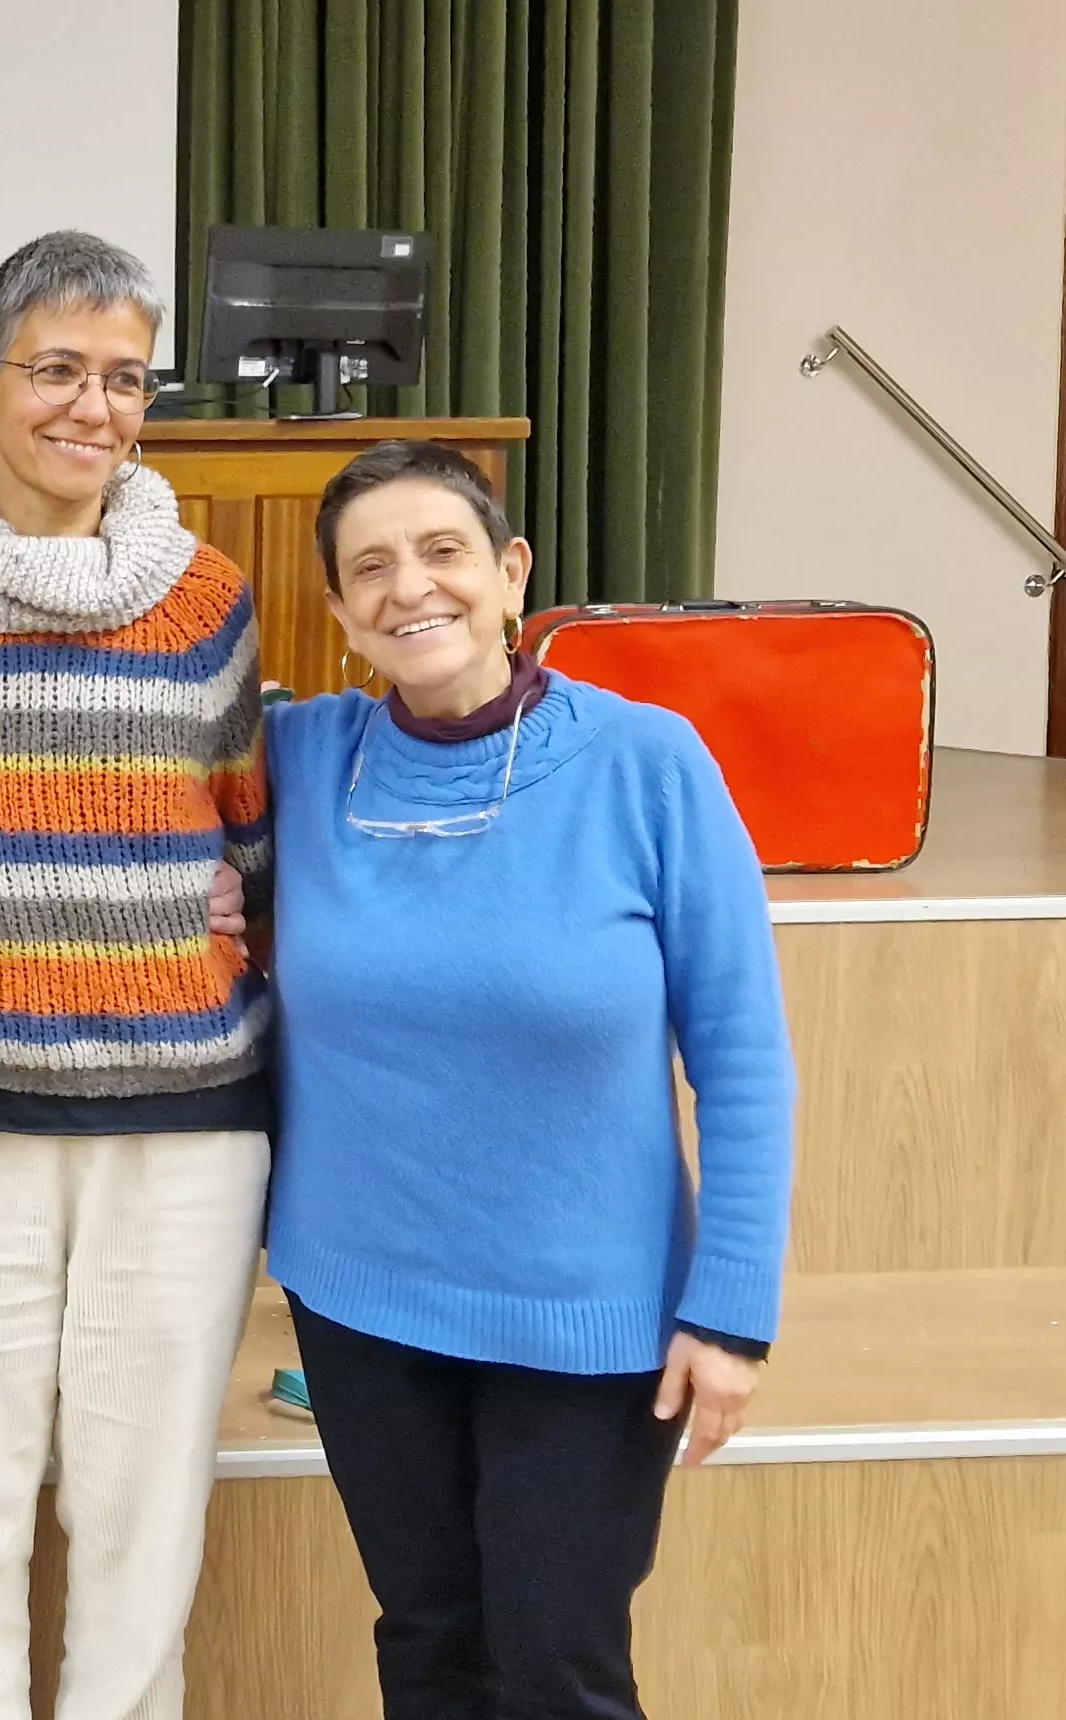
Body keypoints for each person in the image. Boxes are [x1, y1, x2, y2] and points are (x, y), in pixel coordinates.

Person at [262, 439, 796, 1720]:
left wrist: (728, 1313)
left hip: (588, 1315)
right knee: (429, 1645)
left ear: (511, 575)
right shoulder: (298, 760)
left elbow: (741, 1054)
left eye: (441, 553)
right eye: (369, 569)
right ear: (338, 611)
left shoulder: (646, 762)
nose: (409, 590)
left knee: (557, 1664)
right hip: (361, 1302)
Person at [0, 230, 273, 1720]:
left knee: (141, 1523)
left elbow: (252, 827)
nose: (94, 406)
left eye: (126, 377)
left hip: (182, 1127)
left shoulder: (213, 597)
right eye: (59, 371)